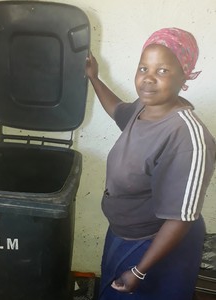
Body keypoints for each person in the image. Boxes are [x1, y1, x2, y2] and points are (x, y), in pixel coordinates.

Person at [85, 27, 216, 299]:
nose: (148, 79)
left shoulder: (188, 137)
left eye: (163, 71)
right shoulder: (144, 109)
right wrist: (94, 78)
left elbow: (181, 219)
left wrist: (139, 271)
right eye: (143, 68)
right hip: (124, 234)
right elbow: (117, 110)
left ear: (185, 75)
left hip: (155, 247)